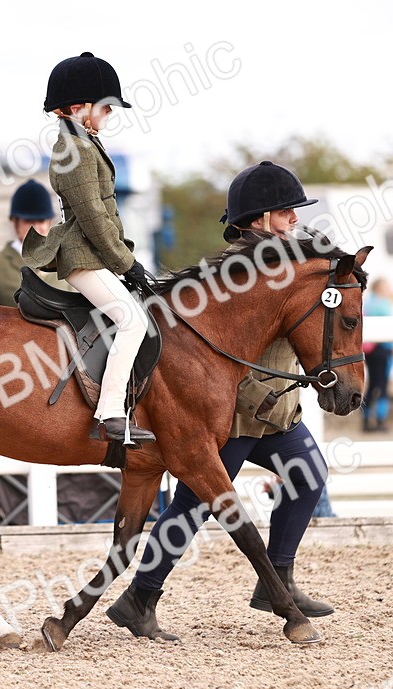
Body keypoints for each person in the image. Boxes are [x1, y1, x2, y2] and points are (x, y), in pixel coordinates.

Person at [105, 161, 336, 642]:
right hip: (229, 412)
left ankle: (277, 577)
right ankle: (140, 597)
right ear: (258, 220)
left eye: (295, 212)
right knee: (193, 504)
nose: (295, 218)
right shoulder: (240, 271)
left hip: (274, 410)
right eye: (286, 211)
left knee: (309, 474)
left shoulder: (289, 262)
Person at [22, 52, 154, 446]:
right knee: (133, 321)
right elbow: (95, 218)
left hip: (96, 254)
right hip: (83, 256)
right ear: (79, 108)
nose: (109, 115)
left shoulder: (83, 142)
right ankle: (111, 413)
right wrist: (126, 263)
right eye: (106, 108)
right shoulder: (73, 151)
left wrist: (128, 260)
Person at [0, 180, 69, 306]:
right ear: (15, 223)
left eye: (41, 220)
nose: (36, 228)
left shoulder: (64, 261)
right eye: (29, 221)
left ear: (49, 222)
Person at [362, 277, 393, 433]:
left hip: (369, 350)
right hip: (383, 348)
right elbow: (391, 327)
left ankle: (366, 419)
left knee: (372, 385)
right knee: (382, 385)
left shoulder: (367, 303)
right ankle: (381, 419)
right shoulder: (384, 304)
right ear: (380, 288)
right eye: (387, 287)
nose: (390, 290)